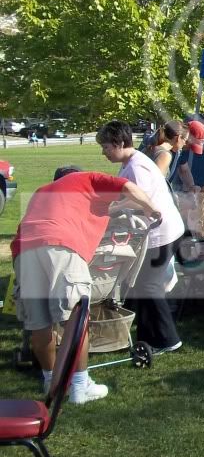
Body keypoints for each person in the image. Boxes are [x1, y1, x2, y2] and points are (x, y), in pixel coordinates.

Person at [12, 167, 161, 403]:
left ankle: (51, 382)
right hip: (61, 244)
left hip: (24, 249)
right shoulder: (88, 178)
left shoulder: (44, 191)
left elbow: (102, 209)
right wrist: (151, 209)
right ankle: (80, 387)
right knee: (76, 320)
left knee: (39, 324)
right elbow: (129, 187)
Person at [97, 121, 187, 351]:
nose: (103, 152)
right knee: (142, 285)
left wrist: (111, 210)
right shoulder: (131, 163)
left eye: (106, 147)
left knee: (149, 286)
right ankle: (147, 338)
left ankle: (168, 339)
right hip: (158, 231)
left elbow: (140, 200)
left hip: (163, 233)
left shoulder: (137, 167)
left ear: (119, 143)